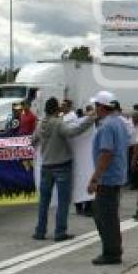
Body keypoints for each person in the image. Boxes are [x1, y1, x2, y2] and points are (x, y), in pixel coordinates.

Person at [31, 97, 94, 241]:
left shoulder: (40, 124)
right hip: (62, 165)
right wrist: (89, 120)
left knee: (44, 201)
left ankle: (40, 231)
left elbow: (33, 140)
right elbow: (73, 132)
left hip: (46, 166)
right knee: (63, 201)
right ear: (56, 109)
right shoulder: (58, 123)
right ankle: (60, 232)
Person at [87, 91, 129, 265]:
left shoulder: (106, 126)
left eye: (95, 106)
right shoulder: (118, 122)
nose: (94, 109)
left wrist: (95, 178)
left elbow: (106, 153)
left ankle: (111, 253)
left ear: (101, 107)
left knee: (105, 216)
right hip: (116, 175)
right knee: (108, 215)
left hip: (108, 177)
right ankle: (114, 249)